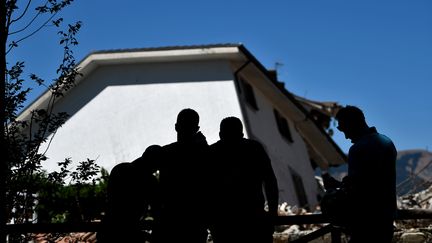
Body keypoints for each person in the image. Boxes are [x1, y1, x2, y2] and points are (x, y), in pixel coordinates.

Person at [325, 105, 397, 243]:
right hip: (386, 219)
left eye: (343, 128)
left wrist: (334, 188)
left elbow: (357, 190)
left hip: (365, 221)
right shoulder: (387, 142)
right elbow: (373, 183)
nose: (345, 136)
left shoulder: (358, 149)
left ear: (352, 123)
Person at [208, 116, 279, 243]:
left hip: (224, 224)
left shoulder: (212, 152)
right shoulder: (254, 148)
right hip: (254, 218)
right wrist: (272, 215)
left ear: (220, 134)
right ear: (241, 133)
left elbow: (204, 189)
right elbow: (270, 181)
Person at [153, 108, 210, 243]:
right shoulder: (205, 154)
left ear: (176, 127)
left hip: (169, 221)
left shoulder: (166, 152)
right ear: (196, 128)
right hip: (194, 222)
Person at [97, 144, 162, 243]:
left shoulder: (119, 169)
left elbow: (112, 202)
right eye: (157, 166)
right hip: (128, 232)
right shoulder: (149, 180)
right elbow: (157, 209)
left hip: (108, 230)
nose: (157, 170)